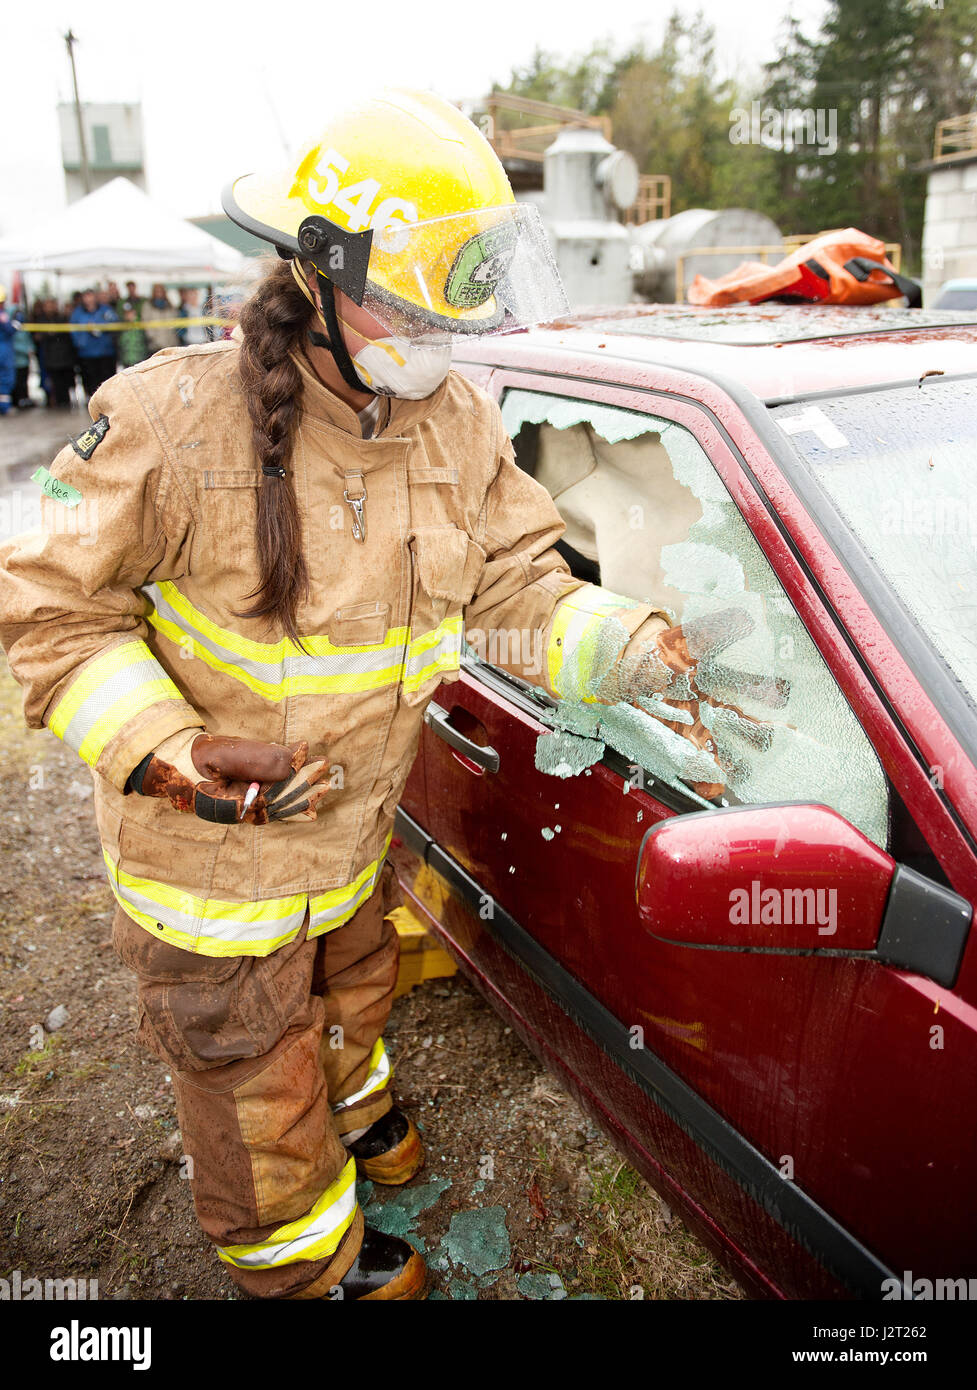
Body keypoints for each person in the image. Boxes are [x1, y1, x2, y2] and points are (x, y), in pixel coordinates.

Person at [0, 89, 695, 1301]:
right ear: (316, 276)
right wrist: (165, 749)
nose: (437, 333)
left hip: (348, 838)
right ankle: (305, 1266)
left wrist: (622, 640)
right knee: (252, 1076)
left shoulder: (452, 420)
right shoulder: (166, 420)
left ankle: (358, 1113)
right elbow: (50, 610)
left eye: (454, 302)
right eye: (412, 301)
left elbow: (516, 580)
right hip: (210, 873)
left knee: (354, 989)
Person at [70, 288, 118, 399]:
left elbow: (115, 322)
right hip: (87, 353)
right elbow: (74, 331)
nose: (89, 299)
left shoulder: (105, 310)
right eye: (86, 297)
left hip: (105, 352)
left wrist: (100, 327)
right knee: (90, 379)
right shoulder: (77, 313)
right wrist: (81, 343)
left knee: (107, 379)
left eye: (91, 296)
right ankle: (92, 400)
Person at [39, 299, 76, 408]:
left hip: (64, 357)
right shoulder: (42, 320)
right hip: (51, 358)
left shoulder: (62, 318)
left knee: (66, 382)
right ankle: (58, 402)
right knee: (55, 383)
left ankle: (66, 401)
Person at [141, 283, 180, 353]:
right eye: (157, 291)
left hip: (170, 343)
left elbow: (175, 320)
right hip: (155, 344)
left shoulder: (170, 305)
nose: (159, 293)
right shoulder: (148, 305)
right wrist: (153, 338)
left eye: (160, 291)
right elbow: (146, 323)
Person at [11, 304, 34, 408]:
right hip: (16, 361)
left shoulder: (24, 329)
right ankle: (18, 399)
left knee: (25, 380)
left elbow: (29, 340)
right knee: (18, 381)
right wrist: (25, 351)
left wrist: (31, 348)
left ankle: (25, 398)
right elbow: (13, 345)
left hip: (25, 361)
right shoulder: (11, 330)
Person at [116, 302, 149, 368]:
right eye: (125, 313)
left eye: (129, 312)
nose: (128, 315)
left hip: (140, 360)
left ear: (134, 312)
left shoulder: (141, 324)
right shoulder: (121, 326)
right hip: (126, 361)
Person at [0, 287, 15, 416]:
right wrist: (16, 324)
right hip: (3, 351)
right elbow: (9, 330)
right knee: (5, 378)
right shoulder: (2, 315)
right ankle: (4, 407)